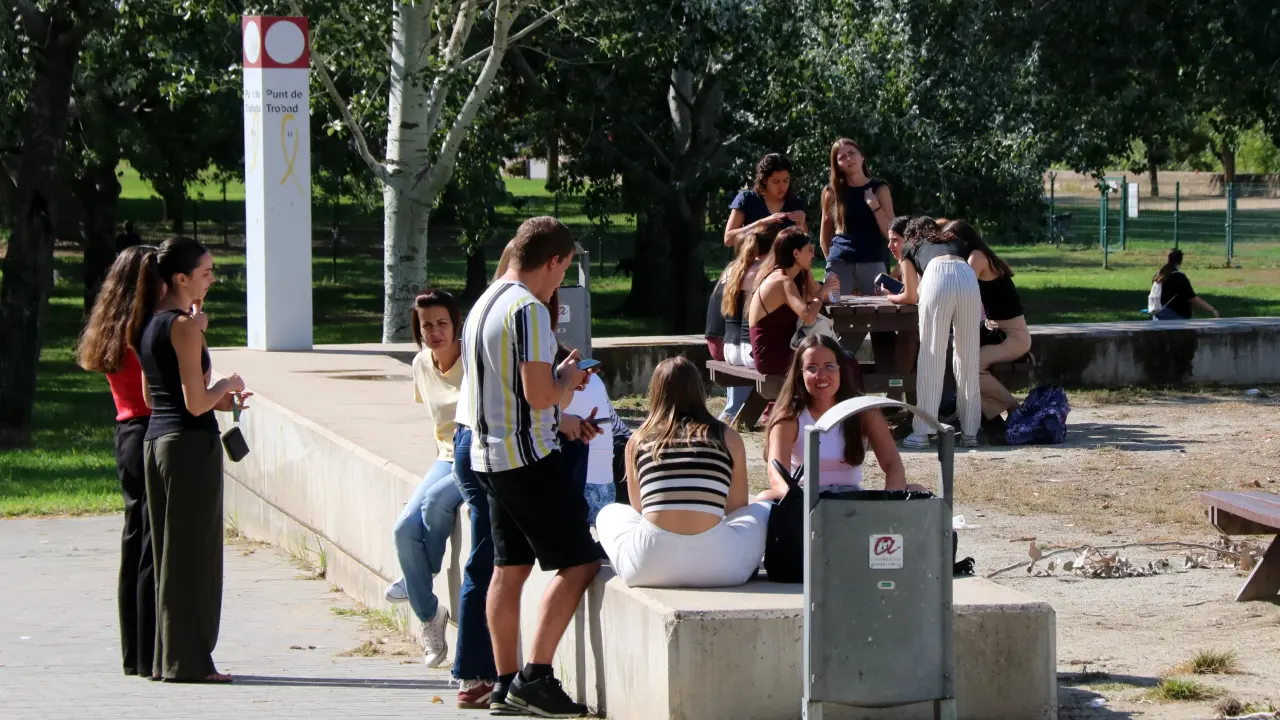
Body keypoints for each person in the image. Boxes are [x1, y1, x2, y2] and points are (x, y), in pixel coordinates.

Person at [461, 217, 601, 717]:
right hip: (528, 458)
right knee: (580, 562)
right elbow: (540, 396)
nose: (560, 281)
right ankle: (535, 678)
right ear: (554, 261)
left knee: (509, 567)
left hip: (488, 455)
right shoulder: (527, 309)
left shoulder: (485, 302)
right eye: (563, 271)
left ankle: (504, 683)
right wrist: (567, 380)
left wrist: (555, 379)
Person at [131, 236, 247, 683]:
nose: (212, 278)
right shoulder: (182, 326)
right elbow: (196, 403)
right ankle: (190, 662)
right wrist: (228, 384)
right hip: (189, 447)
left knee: (170, 555)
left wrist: (218, 392)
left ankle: (168, 658)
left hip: (157, 443)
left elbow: (152, 396)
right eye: (206, 272)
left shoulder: (150, 323)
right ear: (181, 278)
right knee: (195, 558)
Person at [596, 357, 770, 587]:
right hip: (723, 567)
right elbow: (737, 507)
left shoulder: (638, 441)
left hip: (646, 565)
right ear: (699, 390)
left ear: (655, 392)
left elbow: (640, 508)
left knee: (609, 512)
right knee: (764, 508)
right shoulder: (727, 437)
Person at [76, 245, 159, 678]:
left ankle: (134, 651)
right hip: (149, 429)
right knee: (150, 545)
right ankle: (150, 647)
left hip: (126, 431)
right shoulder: (145, 330)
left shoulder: (112, 325)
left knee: (134, 538)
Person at [384, 291, 464, 669]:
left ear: (456, 324)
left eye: (442, 323)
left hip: (477, 458)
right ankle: (431, 616)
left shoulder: (474, 361)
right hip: (445, 458)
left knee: (436, 502)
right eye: (426, 325)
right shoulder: (420, 363)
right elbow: (438, 424)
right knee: (403, 529)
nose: (435, 332)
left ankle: (417, 574)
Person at [758, 335, 908, 500]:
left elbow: (893, 464)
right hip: (803, 498)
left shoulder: (863, 411)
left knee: (916, 490)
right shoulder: (789, 416)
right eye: (812, 368)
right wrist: (795, 501)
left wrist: (890, 502)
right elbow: (777, 474)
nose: (821, 375)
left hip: (851, 498)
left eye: (829, 366)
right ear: (800, 374)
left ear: (840, 369)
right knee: (765, 498)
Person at [885, 218, 981, 449]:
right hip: (967, 277)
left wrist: (890, 296)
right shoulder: (953, 241)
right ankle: (970, 433)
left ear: (910, 235)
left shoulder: (911, 247)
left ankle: (922, 432)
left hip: (937, 276)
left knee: (931, 355)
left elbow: (910, 296)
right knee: (968, 356)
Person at [945, 220, 1031, 441]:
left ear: (961, 241)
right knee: (962, 363)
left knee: (971, 367)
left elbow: (960, 289)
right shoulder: (980, 255)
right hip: (997, 331)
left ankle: (1012, 407)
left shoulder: (977, 257)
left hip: (1013, 336)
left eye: (949, 243)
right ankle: (984, 417)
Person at [747, 227, 839, 376]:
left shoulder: (787, 277)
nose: (813, 254)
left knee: (838, 360)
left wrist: (809, 272)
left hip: (782, 350)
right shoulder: (782, 281)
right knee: (838, 363)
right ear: (796, 253)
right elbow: (809, 316)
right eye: (809, 250)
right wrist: (822, 293)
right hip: (771, 356)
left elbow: (813, 295)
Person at [820, 139, 896, 295]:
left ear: (862, 157)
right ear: (837, 165)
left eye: (851, 153)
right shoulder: (832, 192)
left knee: (880, 308)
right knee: (835, 309)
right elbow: (824, 237)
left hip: (873, 261)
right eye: (842, 157)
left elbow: (891, 232)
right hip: (839, 262)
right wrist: (831, 263)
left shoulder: (880, 189)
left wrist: (874, 206)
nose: (849, 159)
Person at [718, 228, 775, 421]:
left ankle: (733, 413)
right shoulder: (764, 272)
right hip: (747, 350)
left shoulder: (734, 268)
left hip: (729, 347)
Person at [723, 153, 807, 248]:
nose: (782, 187)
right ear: (764, 180)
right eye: (776, 182)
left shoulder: (795, 203)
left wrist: (800, 225)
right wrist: (760, 224)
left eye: (785, 181)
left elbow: (803, 248)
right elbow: (728, 239)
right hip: (752, 257)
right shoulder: (747, 199)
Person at [1149, 249, 1218, 320]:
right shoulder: (1178, 277)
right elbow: (1193, 298)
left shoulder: (1159, 275)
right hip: (1175, 317)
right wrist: (1212, 309)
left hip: (1158, 315)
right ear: (1181, 260)